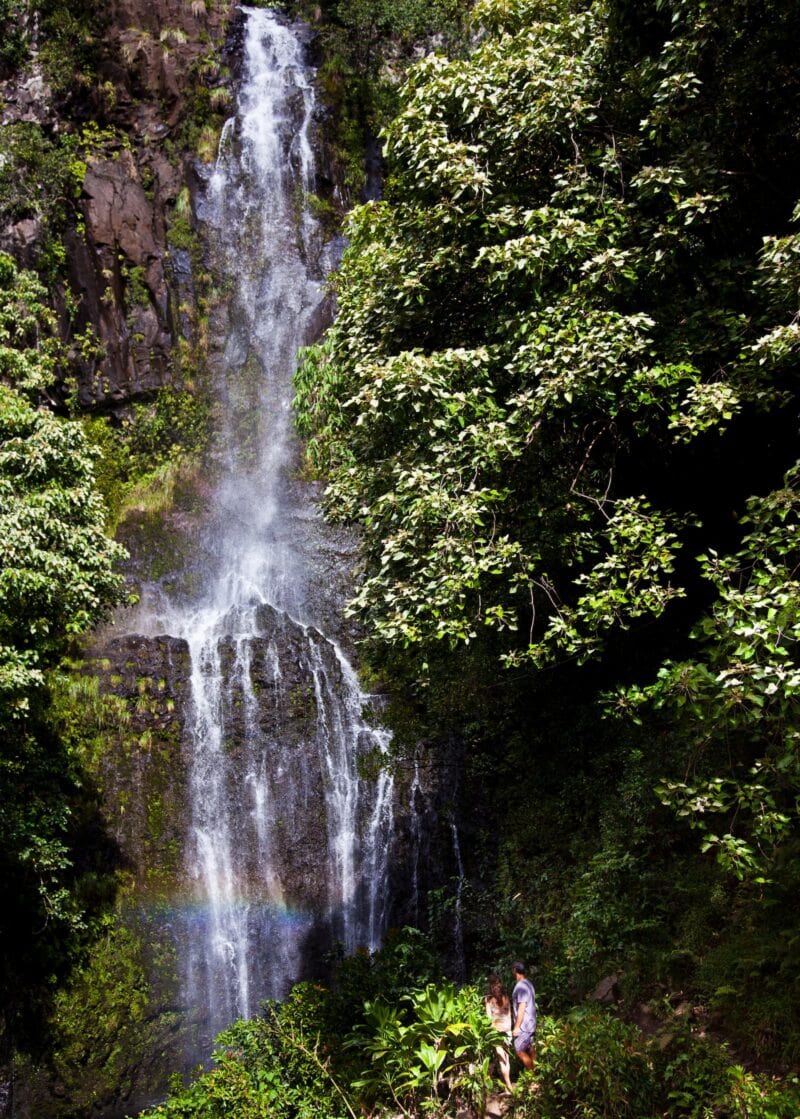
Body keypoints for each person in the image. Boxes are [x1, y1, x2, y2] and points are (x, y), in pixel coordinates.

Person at [484, 973, 514, 1093]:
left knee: (502, 1059)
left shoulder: (488, 1000)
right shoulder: (506, 997)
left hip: (497, 1032)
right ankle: (508, 1085)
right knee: (506, 1058)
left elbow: (488, 1019)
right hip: (507, 1031)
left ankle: (509, 1087)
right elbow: (509, 1015)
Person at [511, 961, 536, 1071]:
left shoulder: (520, 986)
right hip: (531, 1023)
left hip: (524, 1026)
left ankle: (533, 1077)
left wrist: (516, 1027)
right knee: (530, 1049)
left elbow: (522, 1007)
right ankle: (538, 1074)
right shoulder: (528, 983)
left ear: (515, 971)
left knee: (519, 1050)